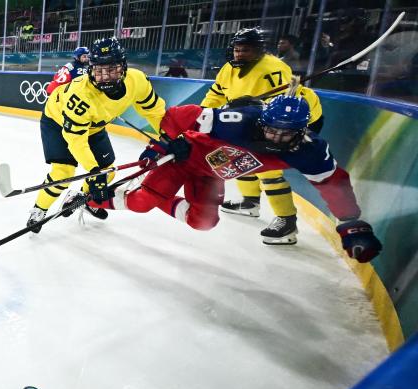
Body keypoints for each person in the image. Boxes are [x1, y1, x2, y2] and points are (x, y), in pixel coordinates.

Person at [86, 95, 382, 264]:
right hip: (182, 161)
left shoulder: (309, 151)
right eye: (271, 130)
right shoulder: (238, 122)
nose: (276, 138)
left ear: (302, 131)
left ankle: (152, 194)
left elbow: (335, 184)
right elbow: (178, 116)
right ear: (262, 121)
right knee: (140, 203)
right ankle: (93, 199)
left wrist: (351, 224)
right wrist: (163, 144)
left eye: (285, 134)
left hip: (210, 176)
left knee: (203, 222)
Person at [27, 37, 166, 232]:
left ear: (123, 67)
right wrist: (93, 172)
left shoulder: (137, 80)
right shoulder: (81, 95)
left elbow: (155, 111)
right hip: (58, 122)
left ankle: (81, 199)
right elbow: (76, 139)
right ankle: (38, 210)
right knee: (64, 172)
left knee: (108, 170)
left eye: (111, 69)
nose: (105, 76)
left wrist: (169, 136)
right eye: (99, 71)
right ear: (91, 69)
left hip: (94, 125)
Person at [201, 27, 324, 245]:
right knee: (238, 156)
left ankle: (287, 222)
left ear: (259, 50)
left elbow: (286, 107)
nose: (239, 54)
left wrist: (256, 104)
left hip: (286, 123)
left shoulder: (274, 69)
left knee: (269, 170)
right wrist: (202, 115)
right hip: (252, 120)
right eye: (237, 49)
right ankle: (250, 202)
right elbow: (216, 94)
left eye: (245, 50)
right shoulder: (228, 69)